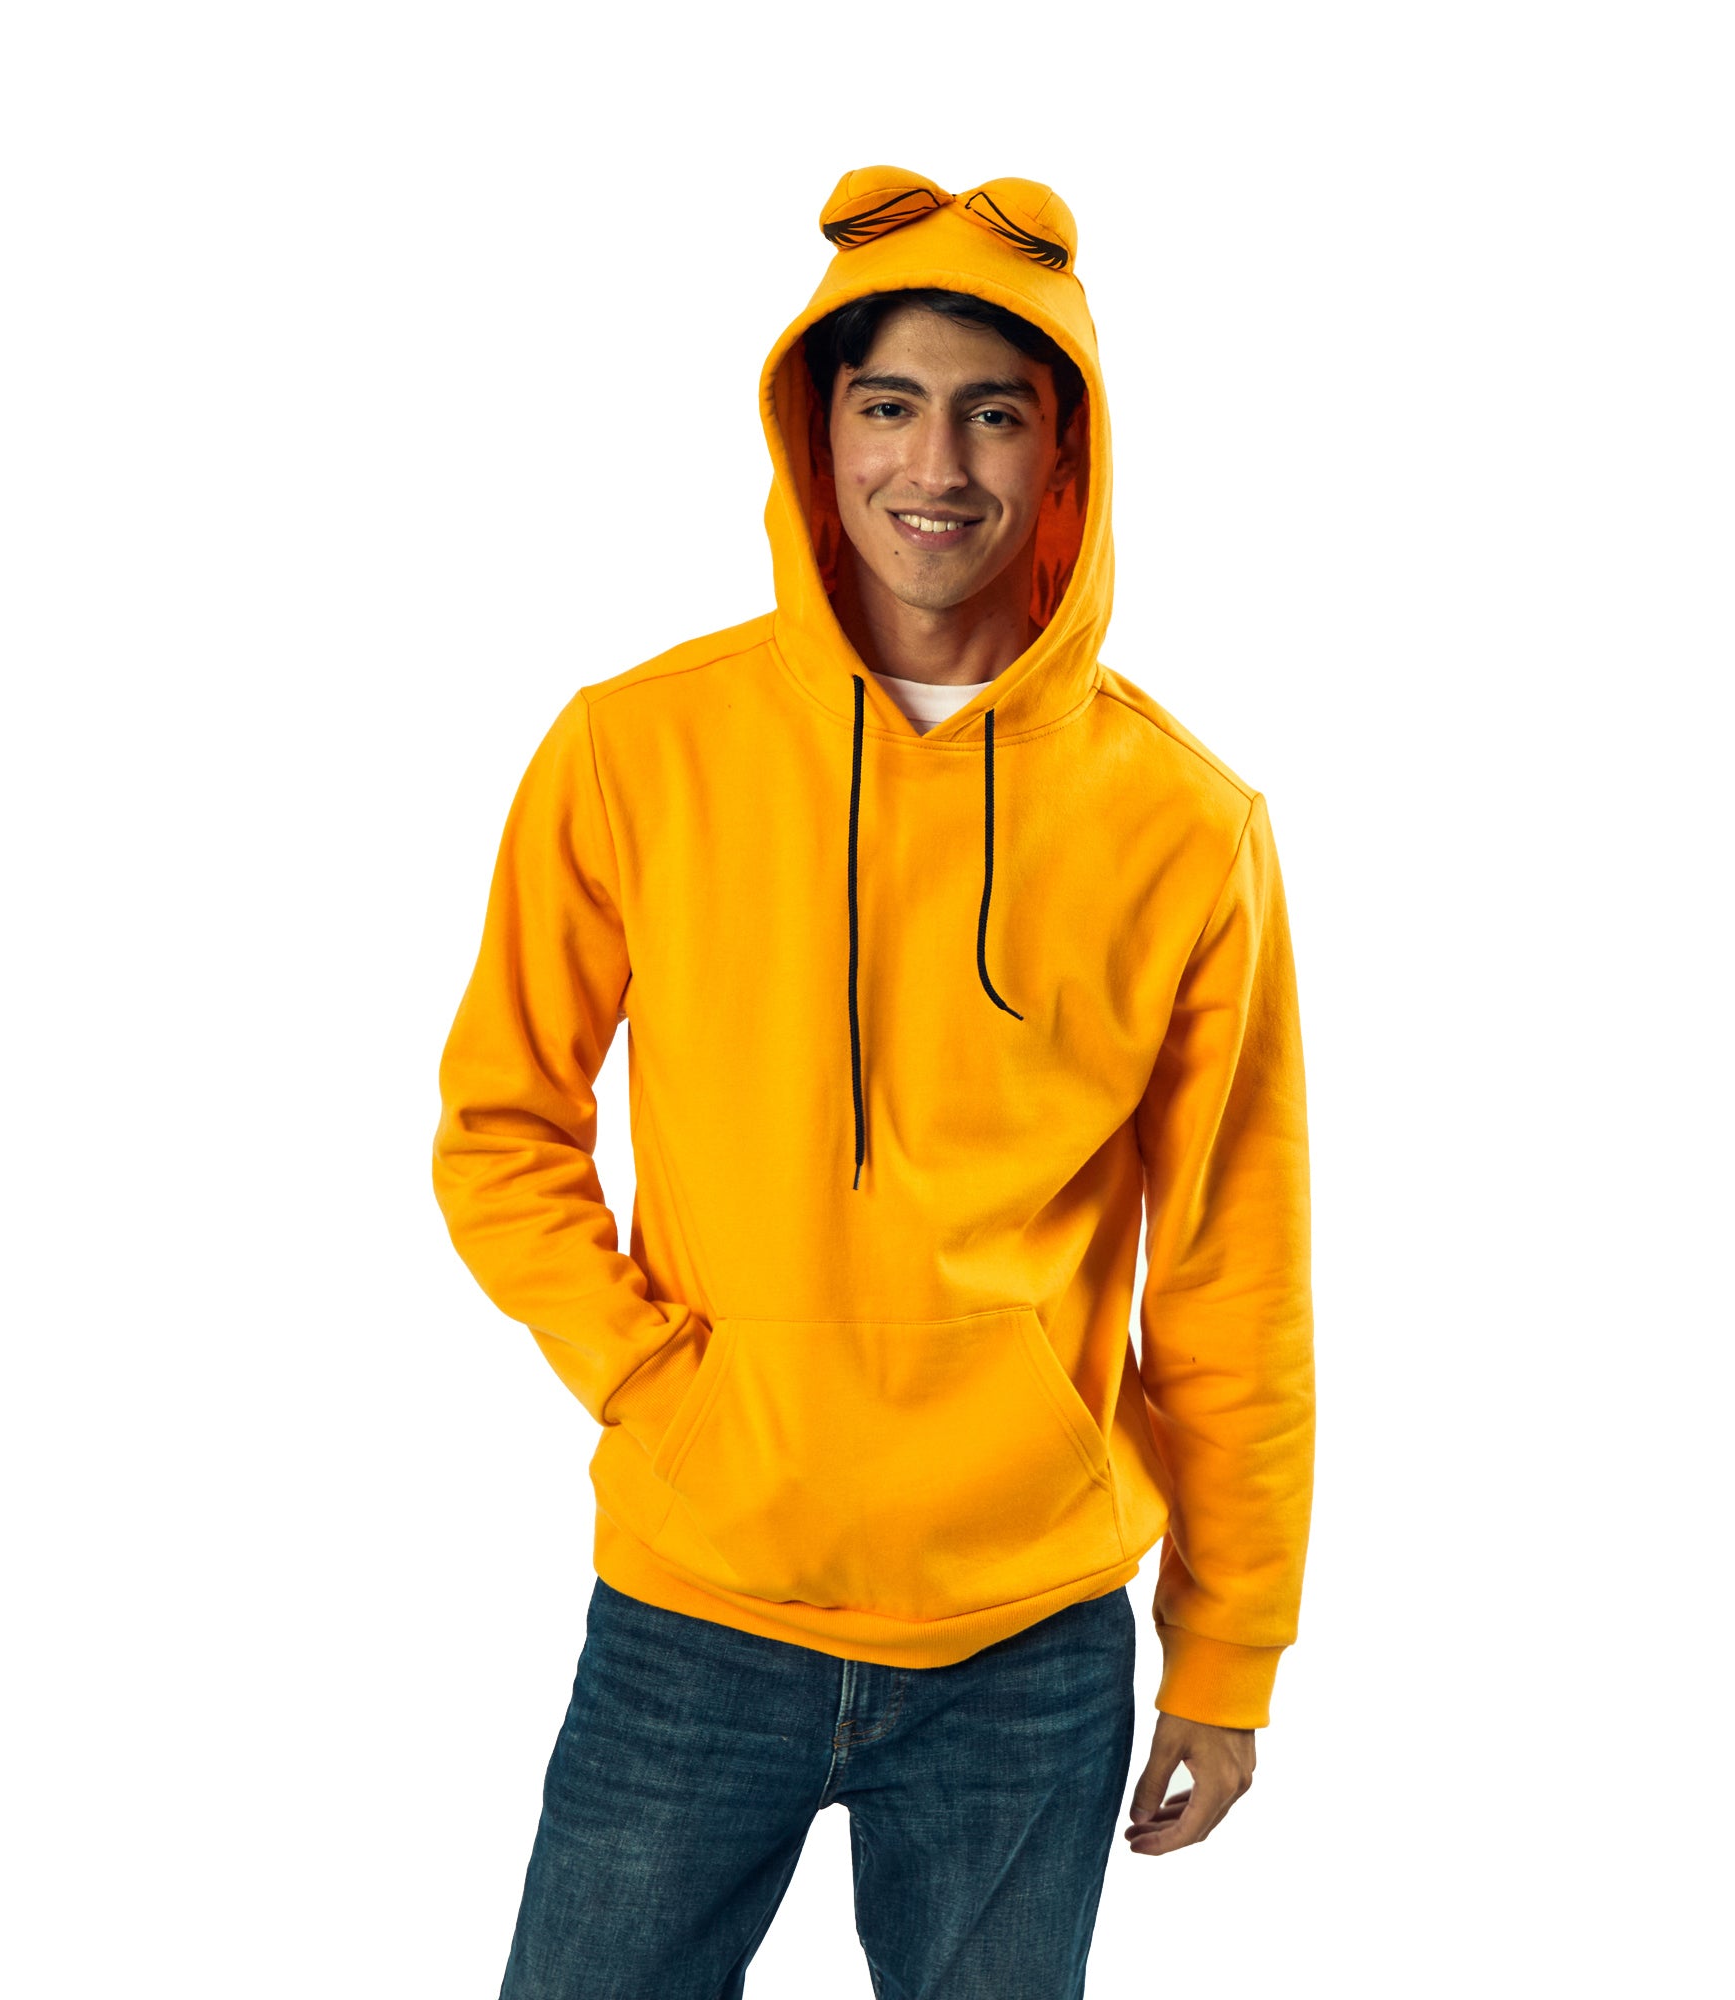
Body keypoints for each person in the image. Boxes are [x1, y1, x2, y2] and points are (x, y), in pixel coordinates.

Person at [433, 166, 1315, 2000]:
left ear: (1062, 455)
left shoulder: (1185, 824)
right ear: (814, 433)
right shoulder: (637, 749)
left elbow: (1234, 1271)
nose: (936, 464)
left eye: (994, 413)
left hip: (1028, 1647)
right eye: (889, 404)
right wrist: (659, 1386)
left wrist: (1228, 1651)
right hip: (694, 1609)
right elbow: (500, 1128)